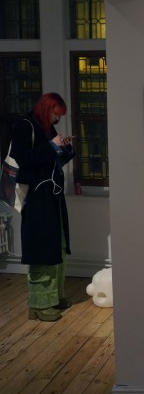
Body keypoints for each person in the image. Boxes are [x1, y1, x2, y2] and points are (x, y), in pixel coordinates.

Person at [11, 92, 76, 321]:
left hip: (52, 197)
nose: (57, 119)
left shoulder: (47, 128)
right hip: (37, 199)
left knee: (57, 246)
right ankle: (39, 304)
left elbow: (51, 161)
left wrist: (65, 148)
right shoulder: (26, 126)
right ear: (46, 109)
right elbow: (23, 159)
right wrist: (51, 145)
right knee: (41, 248)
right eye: (55, 114)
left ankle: (54, 297)